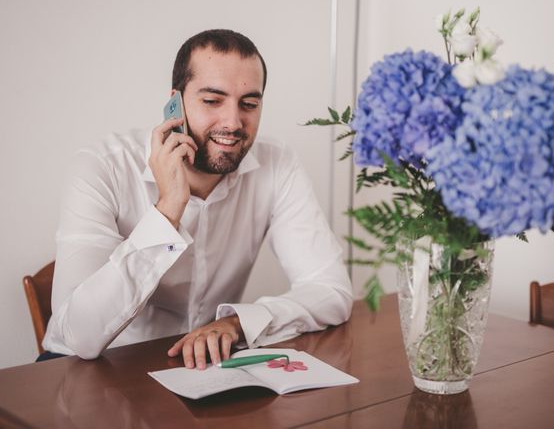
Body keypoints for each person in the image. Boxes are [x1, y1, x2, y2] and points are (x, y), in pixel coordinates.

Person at [41, 29, 353, 369]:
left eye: (249, 103)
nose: (234, 122)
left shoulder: (277, 164)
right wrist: (167, 212)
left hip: (199, 370)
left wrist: (237, 323)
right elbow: (78, 337)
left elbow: (331, 290)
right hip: (93, 370)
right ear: (174, 103)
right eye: (212, 101)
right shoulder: (102, 168)